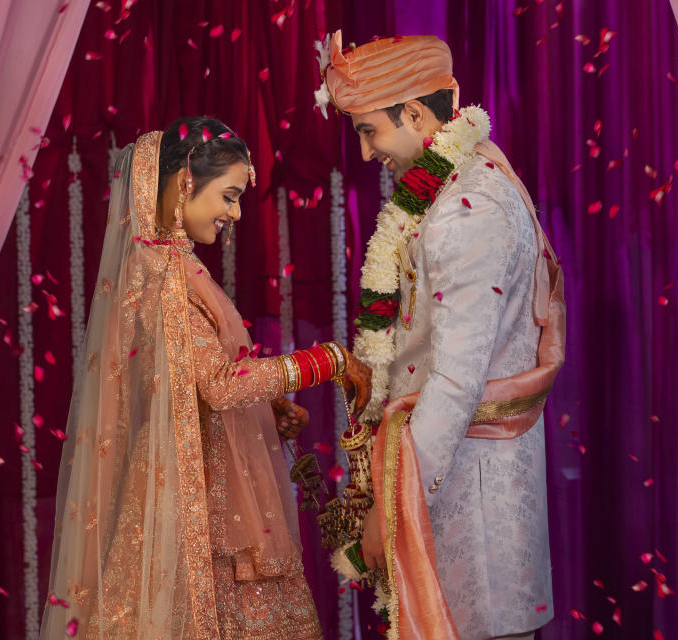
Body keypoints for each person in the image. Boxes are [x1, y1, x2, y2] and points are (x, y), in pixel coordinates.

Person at [40, 116, 371, 639]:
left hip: (213, 479)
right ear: (186, 180)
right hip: (200, 498)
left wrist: (267, 406)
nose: (236, 213)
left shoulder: (170, 264)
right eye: (230, 195)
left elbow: (197, 382)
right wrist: (326, 361)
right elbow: (219, 384)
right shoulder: (166, 273)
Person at [316, 32, 566, 639]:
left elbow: (456, 381)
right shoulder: (467, 183)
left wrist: (390, 510)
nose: (367, 149)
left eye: (369, 129)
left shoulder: (467, 210)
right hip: (468, 486)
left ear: (416, 114)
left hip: (473, 504)